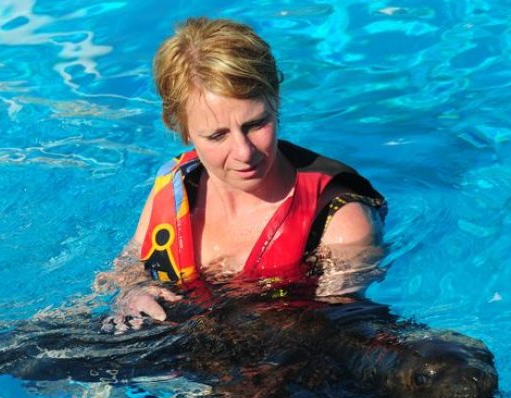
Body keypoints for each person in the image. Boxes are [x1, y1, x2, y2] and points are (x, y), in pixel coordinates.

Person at [102, 17, 387, 332]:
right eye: (217, 135)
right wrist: (131, 293)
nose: (244, 152)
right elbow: (126, 271)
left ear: (275, 99)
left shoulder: (339, 221)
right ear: (181, 130)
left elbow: (335, 334)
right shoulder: (176, 187)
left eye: (256, 124)